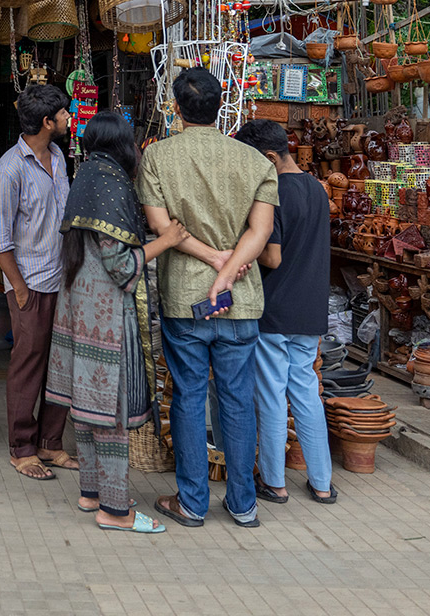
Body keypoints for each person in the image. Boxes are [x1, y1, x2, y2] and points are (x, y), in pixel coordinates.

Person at [136, 68, 277, 528]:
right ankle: (243, 504)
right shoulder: (257, 162)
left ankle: (193, 503)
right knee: (237, 400)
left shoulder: (157, 158)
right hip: (240, 298)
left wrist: (211, 258)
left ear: (176, 108)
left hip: (185, 298)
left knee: (189, 398)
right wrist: (230, 264)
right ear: (223, 105)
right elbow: (261, 232)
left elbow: (161, 228)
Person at [46, 111, 190, 533]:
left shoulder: (86, 177)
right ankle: (115, 510)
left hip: (78, 312)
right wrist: (167, 240)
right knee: (110, 415)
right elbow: (121, 265)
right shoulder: (111, 183)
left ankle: (91, 493)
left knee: (88, 411)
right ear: (124, 145)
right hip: (105, 319)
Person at [234, 119, 337, 505]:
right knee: (307, 393)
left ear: (270, 157)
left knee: (273, 396)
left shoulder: (271, 190)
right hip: (309, 309)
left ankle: (275, 483)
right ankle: (322, 483)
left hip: (275, 309)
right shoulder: (316, 187)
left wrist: (242, 246)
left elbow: (273, 257)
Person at [0, 83, 78, 480]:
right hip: (32, 283)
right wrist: (19, 287)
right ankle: (22, 449)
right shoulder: (10, 168)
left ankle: (50, 443)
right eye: (64, 114)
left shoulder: (58, 155)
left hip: (62, 280)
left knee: (60, 363)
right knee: (29, 364)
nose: (69, 119)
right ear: (47, 121)